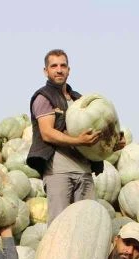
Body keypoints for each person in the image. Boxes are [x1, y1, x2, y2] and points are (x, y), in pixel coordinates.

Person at [26, 48, 122, 223]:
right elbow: (47, 134)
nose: (59, 69)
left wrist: (112, 142)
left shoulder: (80, 99)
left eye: (63, 65)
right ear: (45, 71)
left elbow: (95, 135)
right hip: (59, 172)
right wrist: (77, 141)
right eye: (54, 66)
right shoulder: (44, 97)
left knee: (87, 225)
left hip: (84, 171)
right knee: (59, 225)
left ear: (69, 70)